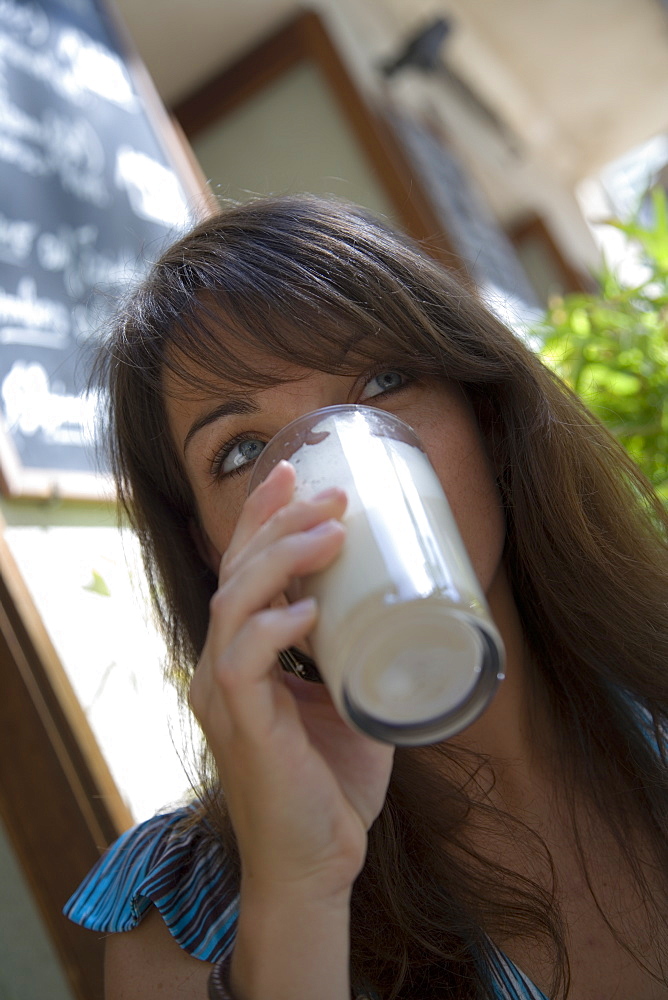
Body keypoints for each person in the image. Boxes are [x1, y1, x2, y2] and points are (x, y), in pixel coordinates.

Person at [65, 195, 668, 1000]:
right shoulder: (177, 918)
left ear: (483, 418)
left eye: (383, 381)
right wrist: (297, 891)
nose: (335, 485)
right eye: (244, 450)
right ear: (214, 550)